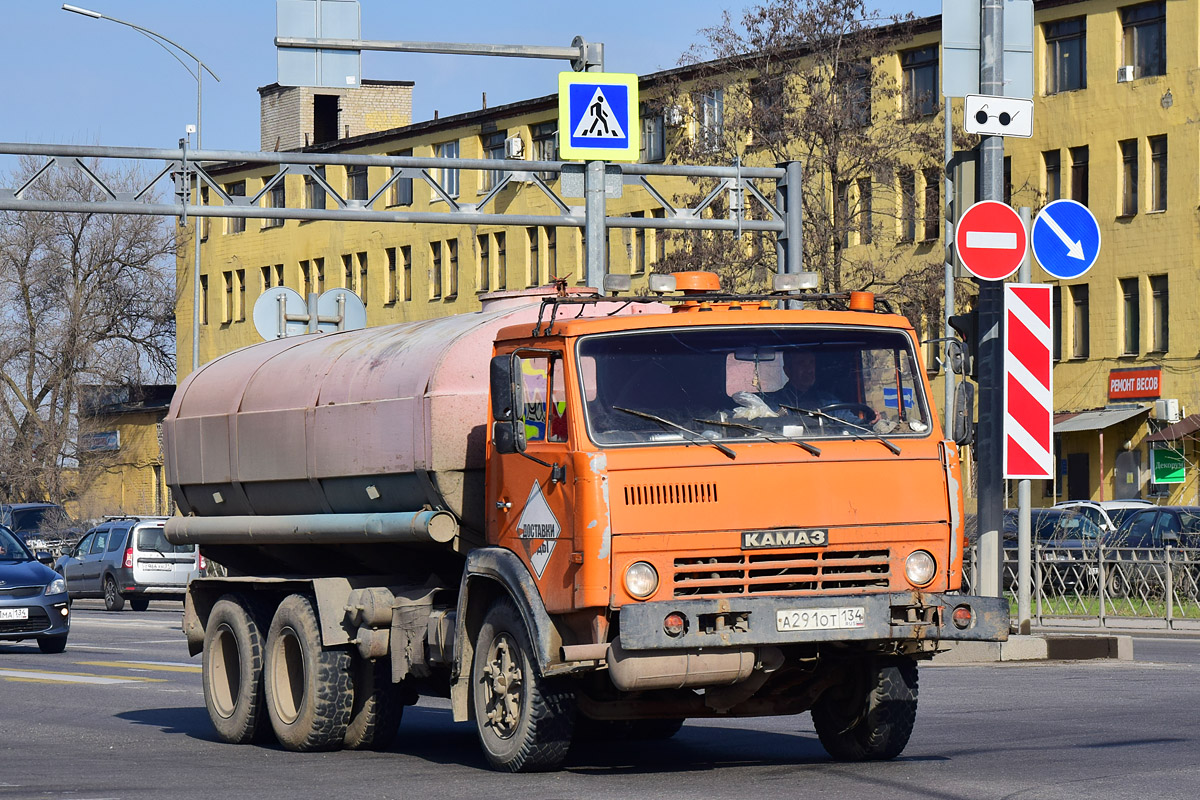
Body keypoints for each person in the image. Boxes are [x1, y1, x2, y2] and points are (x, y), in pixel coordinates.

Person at [767, 349, 879, 424]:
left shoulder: (828, 400)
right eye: (801, 363)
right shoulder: (775, 403)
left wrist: (869, 421)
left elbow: (851, 424)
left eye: (811, 363)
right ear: (788, 370)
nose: (809, 369)